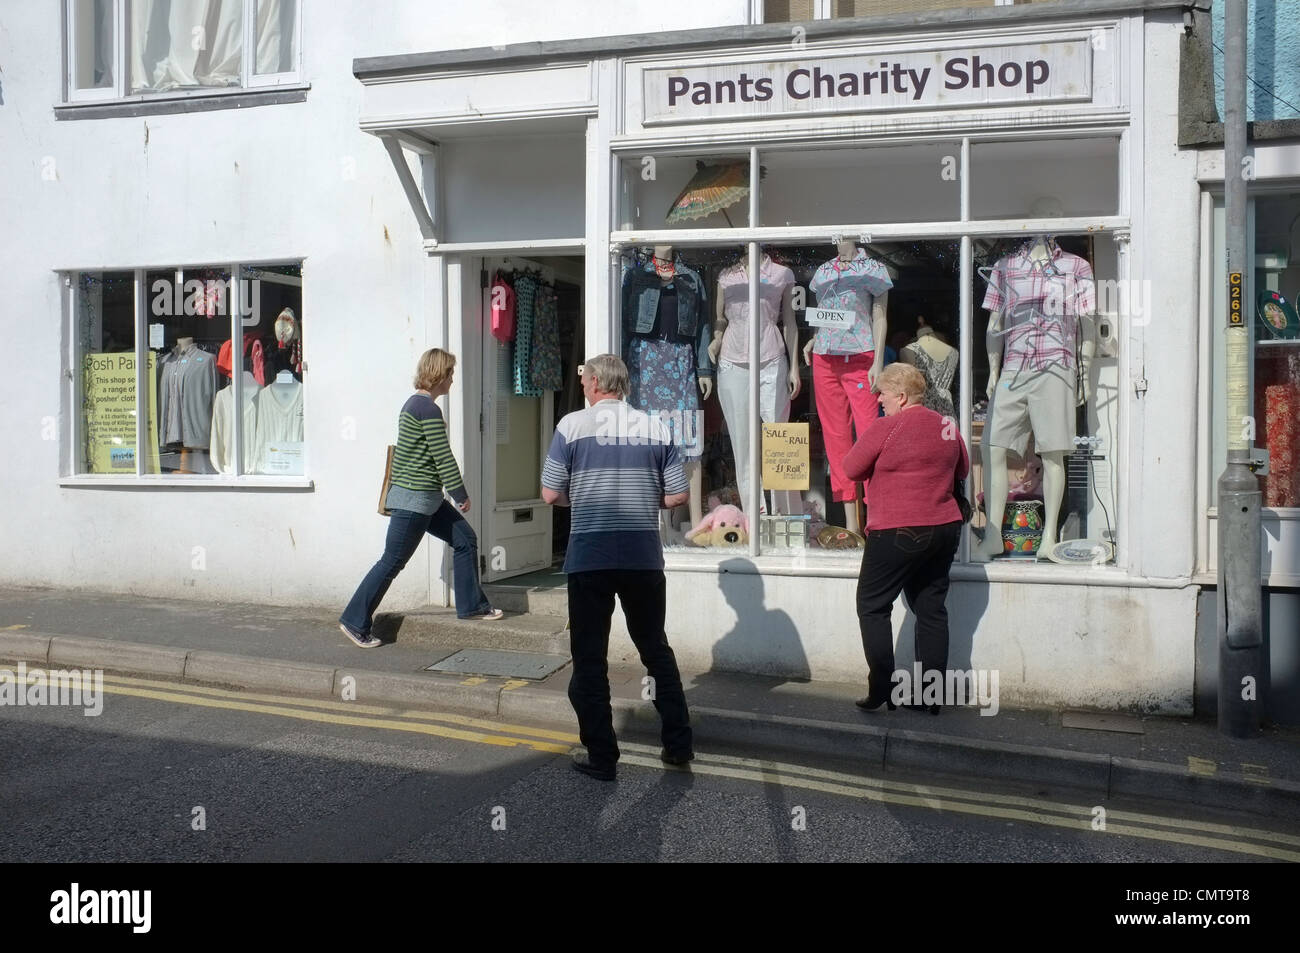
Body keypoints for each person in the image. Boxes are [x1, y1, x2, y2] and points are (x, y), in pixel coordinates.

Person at [541, 354, 693, 780]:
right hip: (643, 558)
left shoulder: (572, 426)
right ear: (623, 385)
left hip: (590, 557)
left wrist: (586, 497)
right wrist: (644, 498)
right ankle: (679, 745)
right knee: (655, 650)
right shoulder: (656, 427)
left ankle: (602, 757)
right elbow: (678, 496)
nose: (584, 385)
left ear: (593, 384)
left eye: (585, 379)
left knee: (590, 659)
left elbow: (550, 494)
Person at [339, 348, 501, 648]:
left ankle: (472, 606)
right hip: (415, 502)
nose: (453, 380)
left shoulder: (414, 405)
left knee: (465, 539)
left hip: (427, 499)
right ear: (439, 375)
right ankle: (354, 620)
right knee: (391, 561)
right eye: (450, 374)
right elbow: (443, 457)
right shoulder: (426, 409)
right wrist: (460, 494)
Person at [843, 363, 969, 714]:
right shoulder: (946, 425)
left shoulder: (886, 427)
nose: (878, 399)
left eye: (882, 393)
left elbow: (851, 468)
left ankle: (882, 687)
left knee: (872, 606)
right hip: (943, 528)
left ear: (900, 396)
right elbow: (963, 469)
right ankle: (932, 695)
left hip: (895, 530)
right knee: (931, 609)